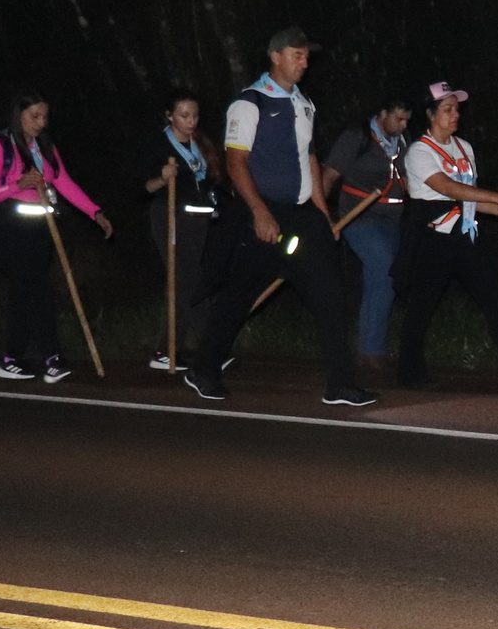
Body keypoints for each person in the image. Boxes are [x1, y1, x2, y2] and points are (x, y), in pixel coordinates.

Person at [185, 27, 375, 408]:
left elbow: (310, 158)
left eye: (307, 56)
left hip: (304, 216)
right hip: (263, 213)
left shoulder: (305, 104)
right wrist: (259, 213)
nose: (305, 63)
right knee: (239, 295)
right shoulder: (249, 102)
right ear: (275, 56)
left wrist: (322, 212)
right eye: (297, 55)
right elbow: (235, 162)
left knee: (331, 296)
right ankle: (203, 368)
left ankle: (340, 384)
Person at [391, 82, 498, 391]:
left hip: (464, 236)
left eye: (457, 109)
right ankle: (409, 372)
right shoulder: (419, 152)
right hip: (433, 239)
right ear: (430, 114)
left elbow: (470, 200)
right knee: (422, 307)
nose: (455, 115)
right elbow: (447, 188)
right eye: (448, 109)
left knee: (491, 298)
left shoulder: (465, 148)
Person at [0, 88, 112, 382]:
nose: (40, 123)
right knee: (36, 289)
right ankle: (53, 357)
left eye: (44, 117)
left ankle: (12, 358)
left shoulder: (44, 147)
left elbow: (63, 182)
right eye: (34, 116)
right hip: (4, 228)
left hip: (39, 229)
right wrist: (18, 184)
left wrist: (94, 212)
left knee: (26, 291)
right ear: (18, 115)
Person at [320, 92, 413, 363]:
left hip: (393, 221)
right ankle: (371, 349)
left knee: (388, 276)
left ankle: (371, 342)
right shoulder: (356, 138)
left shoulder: (404, 142)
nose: (404, 125)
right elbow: (327, 177)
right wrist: (324, 217)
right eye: (399, 119)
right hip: (358, 218)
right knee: (383, 268)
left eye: (407, 120)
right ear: (382, 113)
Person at [137, 90, 223, 371]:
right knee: (185, 278)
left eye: (195, 115)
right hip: (169, 215)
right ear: (170, 115)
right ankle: (166, 350)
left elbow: (211, 180)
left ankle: (210, 346)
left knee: (192, 279)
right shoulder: (158, 145)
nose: (191, 121)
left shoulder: (202, 142)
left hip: (198, 220)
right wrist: (162, 179)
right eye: (184, 115)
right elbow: (142, 187)